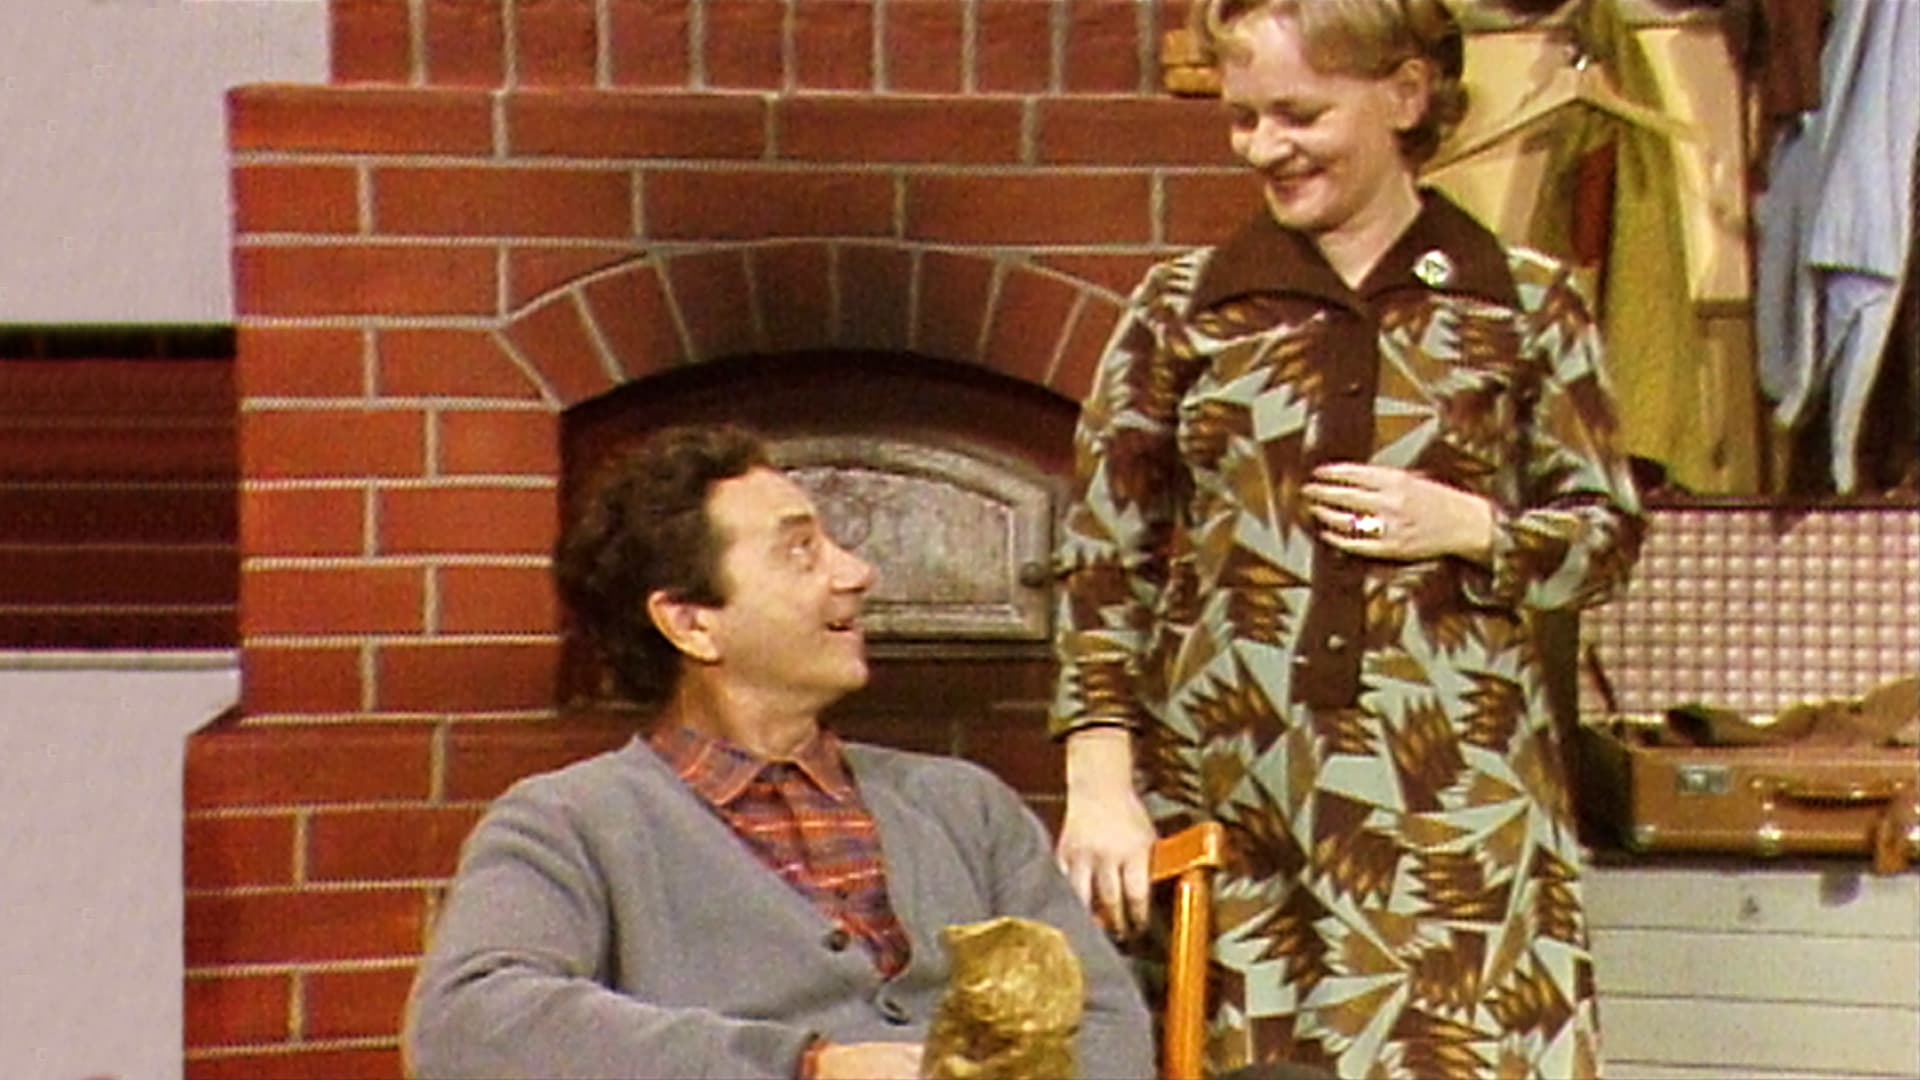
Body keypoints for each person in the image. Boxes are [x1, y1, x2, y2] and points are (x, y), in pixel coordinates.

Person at [1048, 1, 1646, 1077]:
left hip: (1451, 819)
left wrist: (1474, 528)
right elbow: (1104, 555)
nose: (1263, 147)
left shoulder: (1521, 304)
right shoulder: (1187, 308)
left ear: (1405, 95)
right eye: (1244, 118)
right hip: (1238, 812)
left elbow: (1605, 538)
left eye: (1299, 114)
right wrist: (1098, 776)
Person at [405, 425, 1154, 1080]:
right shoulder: (570, 823)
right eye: (802, 552)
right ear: (692, 624)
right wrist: (806, 1067)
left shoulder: (967, 807)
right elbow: (466, 1025)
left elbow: (1106, 1024)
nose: (856, 573)